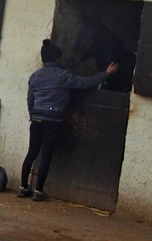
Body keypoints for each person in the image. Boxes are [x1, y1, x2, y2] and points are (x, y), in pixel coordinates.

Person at [17, 39, 118, 201]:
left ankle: (23, 187)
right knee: (46, 155)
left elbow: (30, 99)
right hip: (53, 121)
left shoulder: (35, 76)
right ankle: (38, 191)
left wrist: (33, 116)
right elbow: (86, 83)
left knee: (32, 152)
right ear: (56, 59)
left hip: (36, 120)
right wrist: (106, 73)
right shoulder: (62, 75)